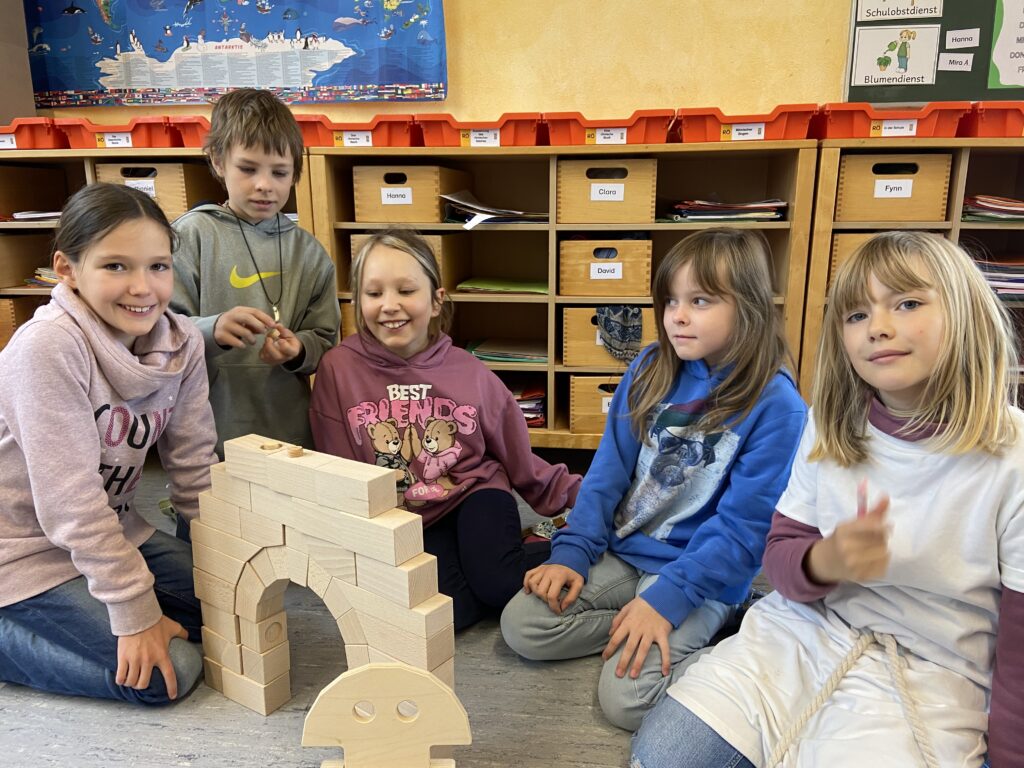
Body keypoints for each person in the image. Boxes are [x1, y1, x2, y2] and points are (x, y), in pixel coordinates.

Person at [631, 231, 1024, 768]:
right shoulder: (831, 424)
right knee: (662, 757)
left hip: (940, 668)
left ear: (966, 312)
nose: (879, 327)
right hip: (804, 630)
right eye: (856, 315)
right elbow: (782, 558)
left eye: (907, 303)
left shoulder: (1011, 456)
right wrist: (826, 560)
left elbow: (1019, 649)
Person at [500, 228, 807, 731]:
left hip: (701, 575)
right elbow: (608, 469)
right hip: (625, 552)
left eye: (700, 300)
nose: (677, 316)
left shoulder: (778, 407)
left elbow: (743, 532)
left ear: (748, 307)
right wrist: (573, 550)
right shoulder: (649, 365)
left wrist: (665, 602)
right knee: (523, 627)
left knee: (627, 701)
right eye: (671, 301)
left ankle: (734, 634)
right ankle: (639, 627)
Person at [0, 183, 218, 704]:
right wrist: (134, 611)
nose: (143, 287)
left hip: (110, 533)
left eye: (158, 266)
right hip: (22, 554)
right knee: (172, 675)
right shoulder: (48, 346)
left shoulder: (182, 343)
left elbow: (195, 469)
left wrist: (226, 564)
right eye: (116, 266)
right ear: (68, 269)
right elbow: (70, 503)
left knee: (224, 614)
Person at [309, 230, 582, 631]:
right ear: (356, 301)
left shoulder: (469, 372)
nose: (389, 306)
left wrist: (590, 504)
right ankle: (496, 552)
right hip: (408, 516)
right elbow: (338, 467)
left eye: (406, 290)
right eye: (373, 293)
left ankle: (549, 539)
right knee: (447, 616)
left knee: (499, 584)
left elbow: (518, 457)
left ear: (437, 301)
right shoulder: (337, 369)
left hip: (476, 492)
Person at [171, 87, 339, 455]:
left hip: (288, 430)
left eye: (280, 172)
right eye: (247, 169)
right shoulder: (191, 236)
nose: (265, 185)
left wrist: (298, 350)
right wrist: (212, 329)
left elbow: (327, 340)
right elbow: (159, 331)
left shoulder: (309, 253)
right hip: (207, 430)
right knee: (208, 511)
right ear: (217, 160)